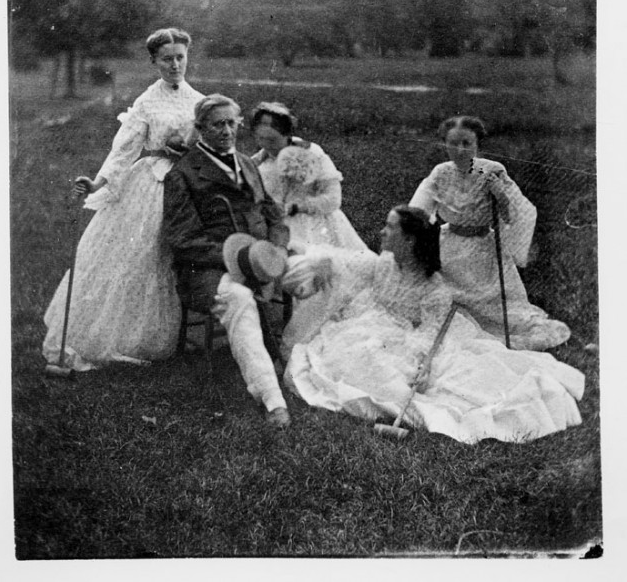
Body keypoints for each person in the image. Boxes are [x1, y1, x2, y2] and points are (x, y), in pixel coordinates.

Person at [282, 206, 584, 444]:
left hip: (412, 338)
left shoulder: (434, 290)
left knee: (376, 362)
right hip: (377, 325)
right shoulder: (385, 263)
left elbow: (428, 338)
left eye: (390, 227)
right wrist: (323, 261)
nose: (382, 231)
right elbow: (347, 260)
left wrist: (419, 364)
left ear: (409, 239)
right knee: (341, 349)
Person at [42, 27, 204, 371]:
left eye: (180, 57)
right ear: (154, 61)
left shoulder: (199, 101)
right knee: (143, 251)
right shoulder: (147, 102)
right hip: (152, 183)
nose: (174, 65)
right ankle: (130, 335)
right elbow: (123, 151)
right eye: (166, 59)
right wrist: (97, 183)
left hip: (189, 183)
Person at [162, 94, 292, 429]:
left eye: (232, 123)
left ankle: (300, 363)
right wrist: (237, 261)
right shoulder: (184, 173)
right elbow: (183, 240)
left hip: (258, 258)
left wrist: (274, 250)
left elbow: (274, 215)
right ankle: (271, 397)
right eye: (218, 124)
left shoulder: (247, 163)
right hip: (204, 271)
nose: (227, 131)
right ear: (200, 128)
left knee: (317, 269)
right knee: (240, 298)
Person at [409, 115, 571, 352]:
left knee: (498, 309)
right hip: (449, 244)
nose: (460, 150)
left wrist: (501, 196)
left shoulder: (491, 170)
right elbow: (418, 211)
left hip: (482, 247)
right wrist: (417, 234)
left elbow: (515, 215)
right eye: (453, 143)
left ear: (477, 145)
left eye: (467, 144)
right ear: (444, 144)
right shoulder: (441, 172)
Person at [250, 102, 366, 251]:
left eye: (272, 140)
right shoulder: (257, 161)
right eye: (260, 138)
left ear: (287, 134)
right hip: (275, 224)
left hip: (313, 224)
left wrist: (298, 206)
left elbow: (333, 198)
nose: (266, 144)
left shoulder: (310, 152)